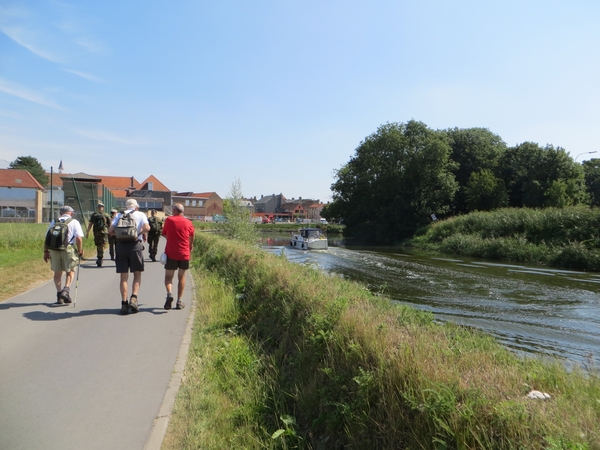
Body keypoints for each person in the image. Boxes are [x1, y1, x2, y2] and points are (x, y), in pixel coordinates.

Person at [108, 199, 150, 315]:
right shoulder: (141, 214)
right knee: (137, 274)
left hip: (121, 246)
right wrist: (138, 234)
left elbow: (110, 230)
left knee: (123, 277)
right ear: (136, 207)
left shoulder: (119, 215)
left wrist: (120, 234)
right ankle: (134, 298)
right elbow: (147, 228)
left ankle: (124, 304)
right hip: (135, 245)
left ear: (126, 207)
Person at [43, 205, 85, 305]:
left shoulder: (55, 222)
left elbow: (47, 238)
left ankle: (59, 295)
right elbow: (79, 238)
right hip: (68, 249)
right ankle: (66, 290)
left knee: (57, 273)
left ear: (61, 213)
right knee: (70, 271)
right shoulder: (74, 222)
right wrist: (80, 251)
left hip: (54, 250)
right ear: (71, 213)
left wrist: (45, 252)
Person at [162, 203, 194, 310]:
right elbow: (191, 237)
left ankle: (169, 293)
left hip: (171, 253)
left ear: (174, 210)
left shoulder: (169, 220)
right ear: (182, 211)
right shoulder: (188, 222)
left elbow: (164, 233)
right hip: (184, 253)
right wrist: (190, 247)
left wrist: (170, 238)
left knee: (168, 277)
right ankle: (179, 301)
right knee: (182, 277)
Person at [85, 202, 110, 267]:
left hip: (96, 232)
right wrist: (110, 232)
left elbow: (90, 224)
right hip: (104, 232)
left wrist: (87, 232)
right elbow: (110, 224)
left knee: (99, 245)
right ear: (103, 208)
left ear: (97, 207)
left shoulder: (94, 215)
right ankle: (100, 257)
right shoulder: (106, 215)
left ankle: (99, 257)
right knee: (102, 245)